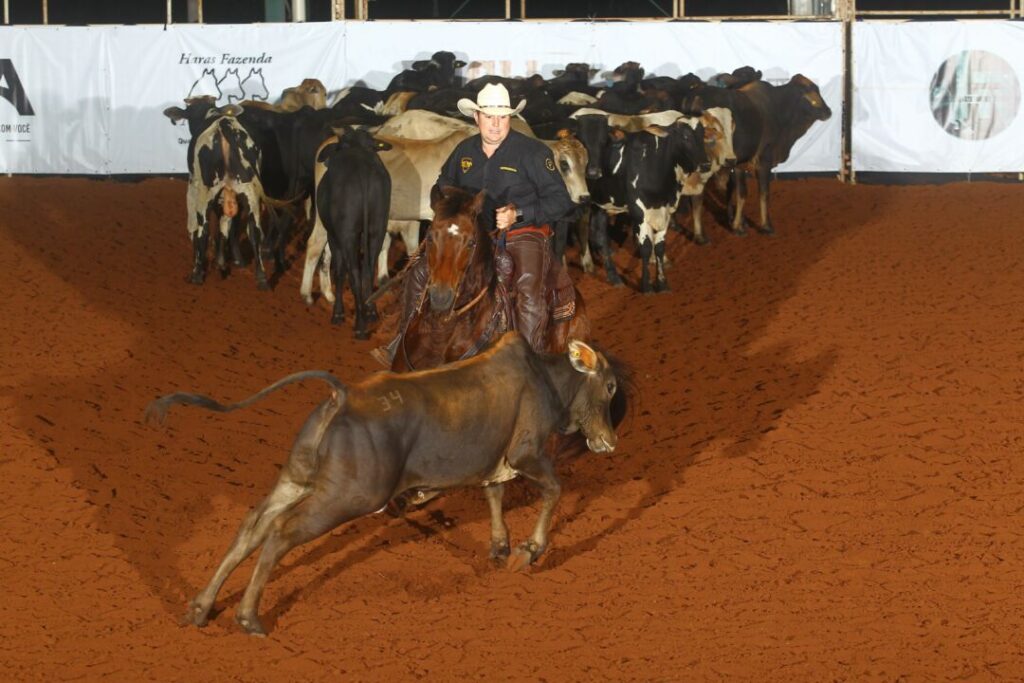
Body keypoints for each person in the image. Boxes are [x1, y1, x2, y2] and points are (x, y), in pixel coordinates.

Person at [373, 82, 575, 365]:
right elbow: (441, 185)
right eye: (489, 117)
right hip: (471, 233)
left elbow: (562, 201)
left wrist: (518, 214)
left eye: (502, 117)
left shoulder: (533, 153)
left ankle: (531, 362)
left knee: (527, 287)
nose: (495, 125)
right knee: (419, 272)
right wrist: (447, 207)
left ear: (510, 118)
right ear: (476, 117)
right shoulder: (464, 151)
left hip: (522, 233)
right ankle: (404, 340)